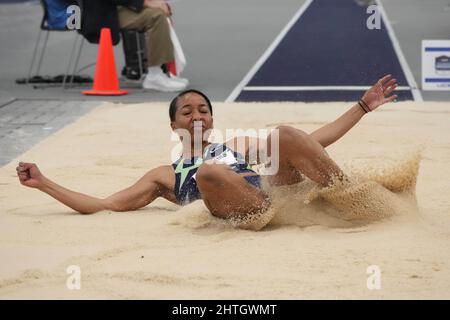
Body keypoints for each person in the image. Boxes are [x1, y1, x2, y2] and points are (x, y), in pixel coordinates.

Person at [16, 75, 398, 229]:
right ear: (174, 126)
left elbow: (310, 142)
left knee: (284, 134)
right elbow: (107, 205)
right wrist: (44, 183)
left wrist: (362, 107)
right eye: (187, 111)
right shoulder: (163, 175)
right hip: (242, 209)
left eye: (203, 110)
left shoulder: (235, 145)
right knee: (209, 174)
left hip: (270, 191)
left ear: (211, 120)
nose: (197, 115)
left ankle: (353, 196)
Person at [80, 0, 187, 92]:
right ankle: (155, 75)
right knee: (156, 16)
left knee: (159, 11)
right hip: (100, 12)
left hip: (112, 7)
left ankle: (161, 72)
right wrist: (146, 2)